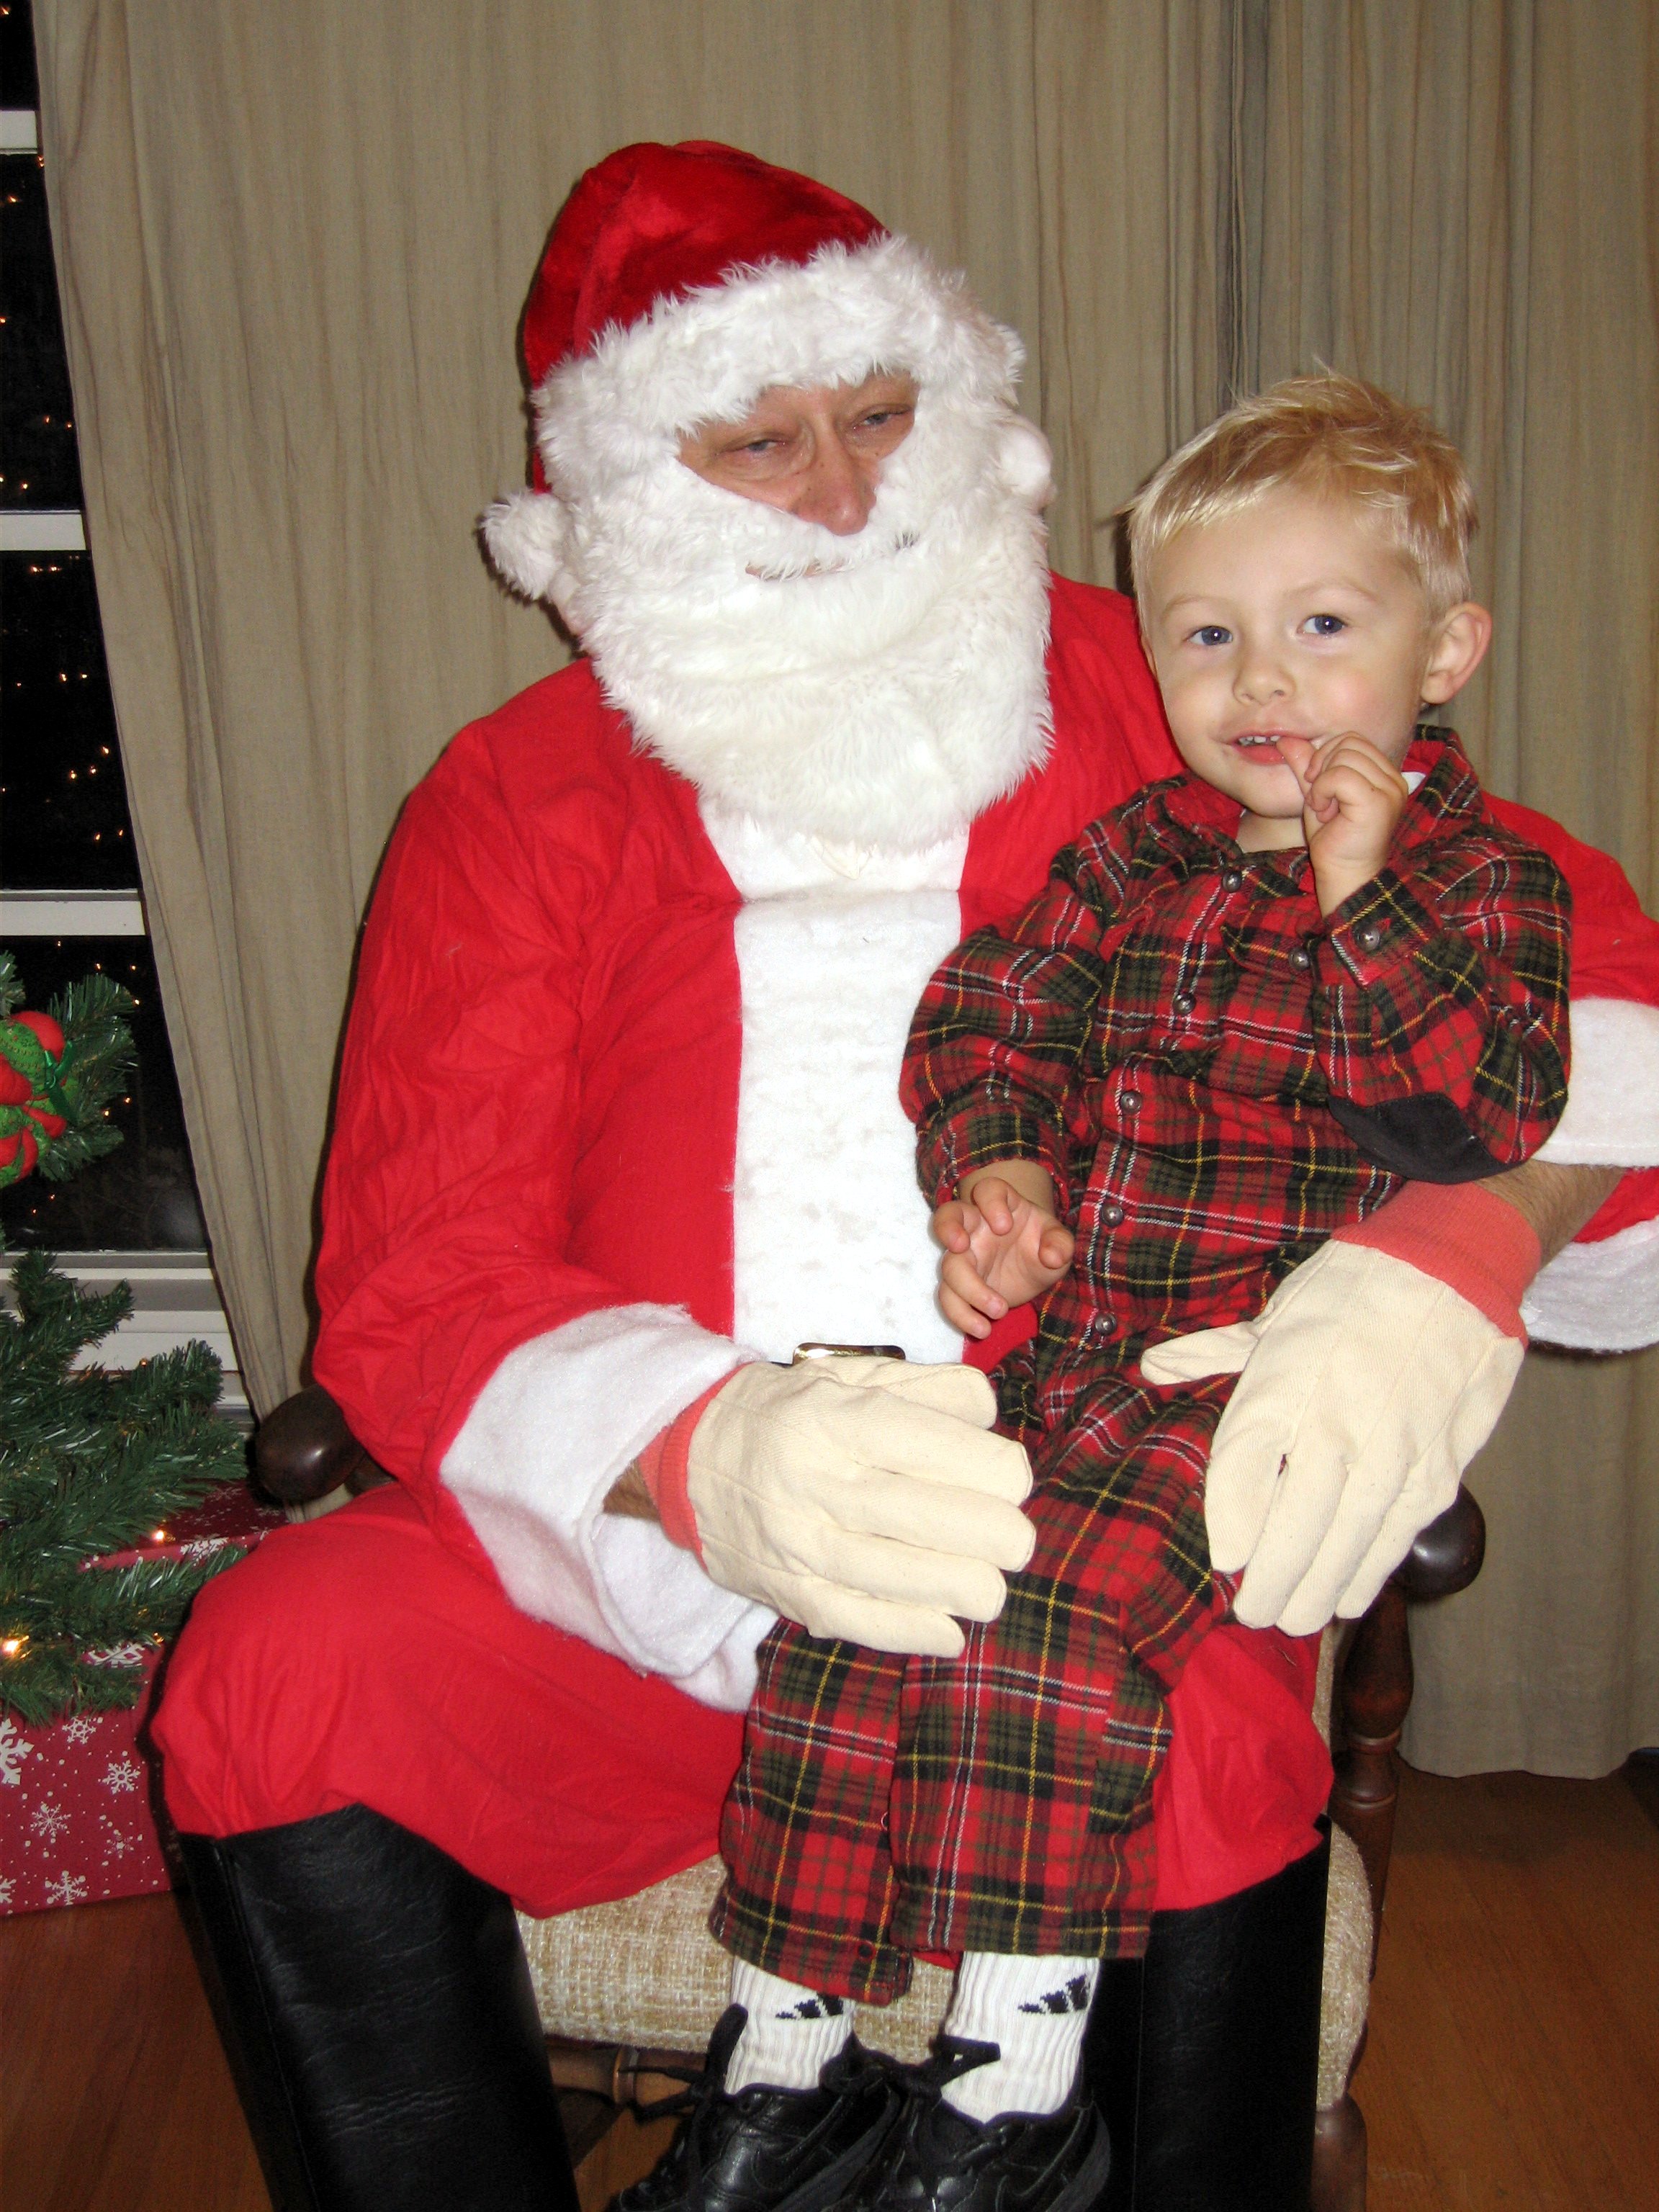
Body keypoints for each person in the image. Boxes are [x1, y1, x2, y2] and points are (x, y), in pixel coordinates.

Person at [151, 143, 1659, 2212]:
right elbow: (416, 1277)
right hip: (650, 1577)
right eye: (757, 443)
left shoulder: (1176, 686)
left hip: (1082, 1519)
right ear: (619, 487)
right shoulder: (510, 801)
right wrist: (704, 1449)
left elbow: (1576, 960)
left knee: (1203, 1734)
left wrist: (1453, 1260)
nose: (848, 495)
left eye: (879, 415)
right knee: (274, 1660)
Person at [683, 376, 1568, 2212]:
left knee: (1051, 1643)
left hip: (1249, 1383)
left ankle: (1011, 2105)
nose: (1264, 683)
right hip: (1069, 1357)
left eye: (1324, 629)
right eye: (1210, 637)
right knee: (859, 1608)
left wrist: (1359, 893)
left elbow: (1476, 1111)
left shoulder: (1485, 881)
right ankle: (783, 2080)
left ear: (1445, 653)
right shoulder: (1132, 856)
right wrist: (1000, 1167)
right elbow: (989, 1015)